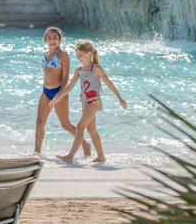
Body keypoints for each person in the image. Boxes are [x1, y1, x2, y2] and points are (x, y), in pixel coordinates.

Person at [50, 40, 127, 164]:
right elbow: (69, 87)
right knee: (92, 131)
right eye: (77, 55)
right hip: (85, 103)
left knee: (80, 127)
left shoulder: (95, 68)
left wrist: (120, 98)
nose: (78, 57)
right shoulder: (78, 70)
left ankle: (70, 156)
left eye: (80, 54)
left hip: (94, 102)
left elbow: (108, 82)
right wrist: (56, 98)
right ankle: (101, 156)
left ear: (89, 53)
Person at [34, 27, 90, 158]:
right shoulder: (45, 54)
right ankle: (37, 154)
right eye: (49, 37)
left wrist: (60, 94)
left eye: (55, 37)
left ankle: (85, 145)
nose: (52, 40)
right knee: (39, 123)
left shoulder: (63, 55)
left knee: (65, 125)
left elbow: (65, 78)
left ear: (59, 39)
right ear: (45, 39)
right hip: (46, 91)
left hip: (59, 91)